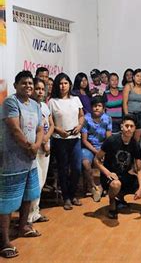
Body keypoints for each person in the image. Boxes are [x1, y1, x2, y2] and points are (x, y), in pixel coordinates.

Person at [0, 71, 43, 259]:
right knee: (7, 202)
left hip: (30, 158)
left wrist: (36, 146)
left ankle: (23, 226)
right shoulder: (11, 102)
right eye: (24, 83)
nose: (28, 86)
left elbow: (41, 128)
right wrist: (29, 147)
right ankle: (3, 241)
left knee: (29, 194)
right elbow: (14, 128)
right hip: (13, 159)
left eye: (30, 83)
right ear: (16, 85)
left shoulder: (35, 104)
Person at [93, 114, 141, 219]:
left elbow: (140, 168)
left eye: (131, 126)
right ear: (121, 127)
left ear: (134, 129)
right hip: (109, 177)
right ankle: (112, 202)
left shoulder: (135, 145)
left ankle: (120, 197)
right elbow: (96, 160)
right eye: (126, 126)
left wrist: (140, 188)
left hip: (124, 175)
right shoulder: (112, 140)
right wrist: (107, 173)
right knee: (116, 184)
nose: (129, 129)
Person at [49, 73, 85, 210]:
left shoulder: (76, 99)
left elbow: (81, 116)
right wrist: (58, 130)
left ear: (69, 84)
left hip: (75, 138)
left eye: (65, 83)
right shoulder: (52, 102)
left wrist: (80, 126)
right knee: (63, 169)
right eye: (60, 83)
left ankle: (73, 193)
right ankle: (66, 198)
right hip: (60, 140)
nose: (63, 86)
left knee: (76, 168)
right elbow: (50, 121)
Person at [28, 78, 54, 224]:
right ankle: (28, 217)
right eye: (37, 88)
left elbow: (51, 124)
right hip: (34, 150)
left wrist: (46, 139)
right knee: (35, 182)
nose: (40, 91)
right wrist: (41, 142)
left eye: (42, 89)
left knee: (42, 181)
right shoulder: (29, 106)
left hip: (46, 148)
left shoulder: (44, 106)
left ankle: (35, 212)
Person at [81, 96, 112, 202]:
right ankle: (93, 186)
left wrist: (102, 152)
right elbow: (84, 140)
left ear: (103, 108)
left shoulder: (107, 118)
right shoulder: (86, 118)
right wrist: (96, 152)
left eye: (99, 106)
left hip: (103, 148)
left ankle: (104, 186)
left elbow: (109, 139)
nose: (97, 108)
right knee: (85, 163)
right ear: (91, 107)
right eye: (95, 106)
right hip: (89, 147)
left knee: (109, 161)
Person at [123, 69, 141, 145]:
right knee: (127, 138)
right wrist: (127, 116)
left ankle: (135, 156)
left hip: (140, 116)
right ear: (133, 77)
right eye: (137, 76)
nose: (139, 78)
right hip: (130, 115)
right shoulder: (128, 86)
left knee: (137, 140)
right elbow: (125, 103)